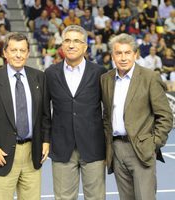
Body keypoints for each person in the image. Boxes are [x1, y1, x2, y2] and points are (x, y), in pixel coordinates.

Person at [0, 32, 50, 200]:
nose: (18, 54)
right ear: (5, 53)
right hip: (2, 155)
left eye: (22, 50)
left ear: (28, 53)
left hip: (33, 154)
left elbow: (45, 114)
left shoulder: (39, 77)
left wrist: (46, 140)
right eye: (14, 50)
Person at [101, 33, 173, 200]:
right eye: (118, 53)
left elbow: (165, 115)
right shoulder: (106, 79)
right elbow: (106, 116)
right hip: (117, 150)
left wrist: (153, 144)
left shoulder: (149, 77)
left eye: (127, 53)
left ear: (135, 54)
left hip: (142, 150)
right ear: (113, 55)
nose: (123, 57)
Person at [45, 25, 106, 200]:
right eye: (67, 41)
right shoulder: (50, 73)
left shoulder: (99, 73)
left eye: (77, 41)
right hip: (62, 148)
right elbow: (44, 113)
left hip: (93, 147)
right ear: (62, 45)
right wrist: (46, 141)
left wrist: (108, 145)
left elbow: (108, 111)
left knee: (96, 197)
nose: (71, 45)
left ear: (85, 46)